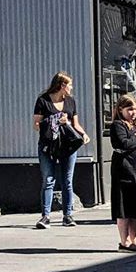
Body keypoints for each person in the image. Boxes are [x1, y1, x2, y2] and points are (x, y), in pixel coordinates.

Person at [33, 71, 90, 229]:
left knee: (67, 180)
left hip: (67, 145)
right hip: (48, 145)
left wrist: (83, 134)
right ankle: (45, 216)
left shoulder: (70, 102)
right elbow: (36, 124)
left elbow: (75, 124)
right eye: (69, 85)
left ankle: (68, 215)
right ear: (62, 85)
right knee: (48, 179)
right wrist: (54, 120)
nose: (71, 88)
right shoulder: (43, 101)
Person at [109, 95, 136, 253]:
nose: (133, 113)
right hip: (124, 169)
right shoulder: (117, 125)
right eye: (129, 109)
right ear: (121, 110)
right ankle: (124, 241)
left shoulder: (135, 125)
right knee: (124, 206)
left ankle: (135, 239)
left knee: (135, 205)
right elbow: (125, 144)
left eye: (135, 109)